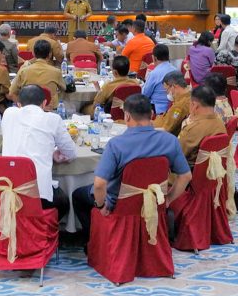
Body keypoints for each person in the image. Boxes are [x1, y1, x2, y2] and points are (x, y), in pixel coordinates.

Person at [71, 94, 191, 245]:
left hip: (119, 204)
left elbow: (99, 184)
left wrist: (101, 205)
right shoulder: (170, 141)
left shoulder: (116, 144)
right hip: (154, 201)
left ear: (127, 116)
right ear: (152, 114)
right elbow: (186, 176)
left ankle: (97, 242)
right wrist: (167, 200)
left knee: (78, 195)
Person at [1, 85, 78, 221]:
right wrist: (54, 152)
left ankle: (23, 227)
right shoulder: (53, 119)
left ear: (18, 104)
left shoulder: (8, 114)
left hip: (7, 191)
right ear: (44, 103)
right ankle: (41, 228)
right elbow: (71, 153)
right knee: (64, 203)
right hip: (38, 196)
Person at [8, 39, 66, 110]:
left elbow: (11, 93)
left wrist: (22, 107)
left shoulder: (23, 71)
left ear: (33, 54)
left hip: (28, 111)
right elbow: (64, 88)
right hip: (50, 110)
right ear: (50, 54)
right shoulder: (56, 72)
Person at [177, 86, 227, 166]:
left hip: (189, 171)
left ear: (194, 105)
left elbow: (176, 156)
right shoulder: (221, 123)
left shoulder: (191, 129)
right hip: (214, 170)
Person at [141, 44, 180, 115]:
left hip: (157, 110)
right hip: (174, 108)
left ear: (154, 58)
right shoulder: (176, 71)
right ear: (168, 56)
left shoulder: (154, 73)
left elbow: (145, 94)